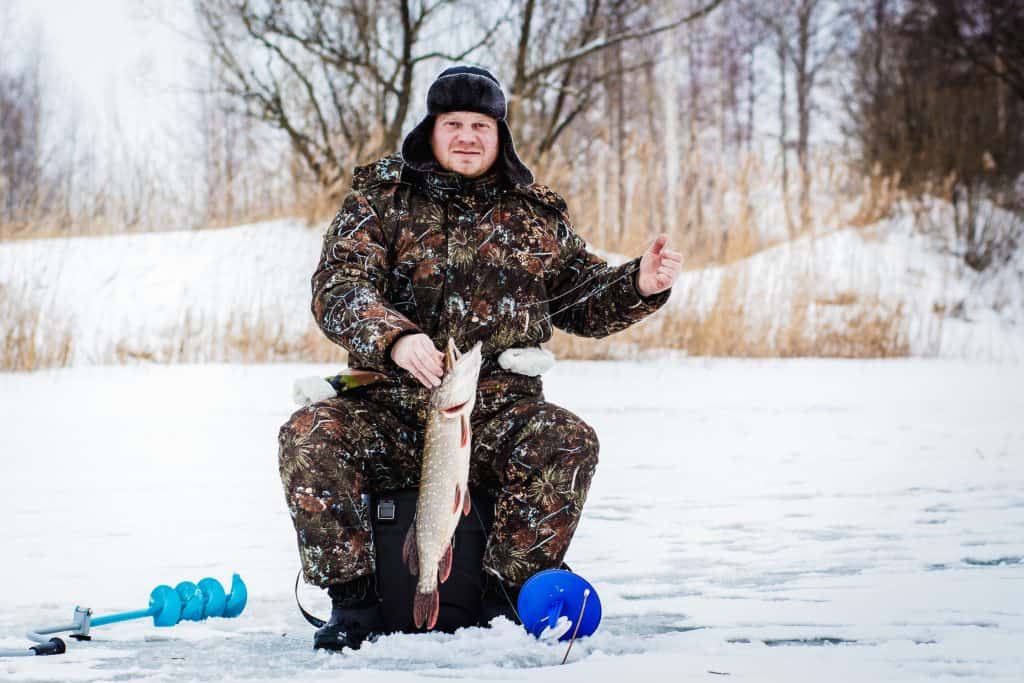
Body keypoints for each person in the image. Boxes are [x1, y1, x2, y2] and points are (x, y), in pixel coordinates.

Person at [278, 65, 682, 651]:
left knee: (567, 440)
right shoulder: (380, 200)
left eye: (480, 125)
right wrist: (394, 337)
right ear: (431, 129)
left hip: (494, 409)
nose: (467, 136)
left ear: (499, 134)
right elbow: (338, 288)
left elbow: (579, 299)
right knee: (309, 435)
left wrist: (639, 284)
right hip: (386, 406)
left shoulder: (533, 213)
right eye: (453, 124)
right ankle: (355, 604)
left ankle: (502, 598)